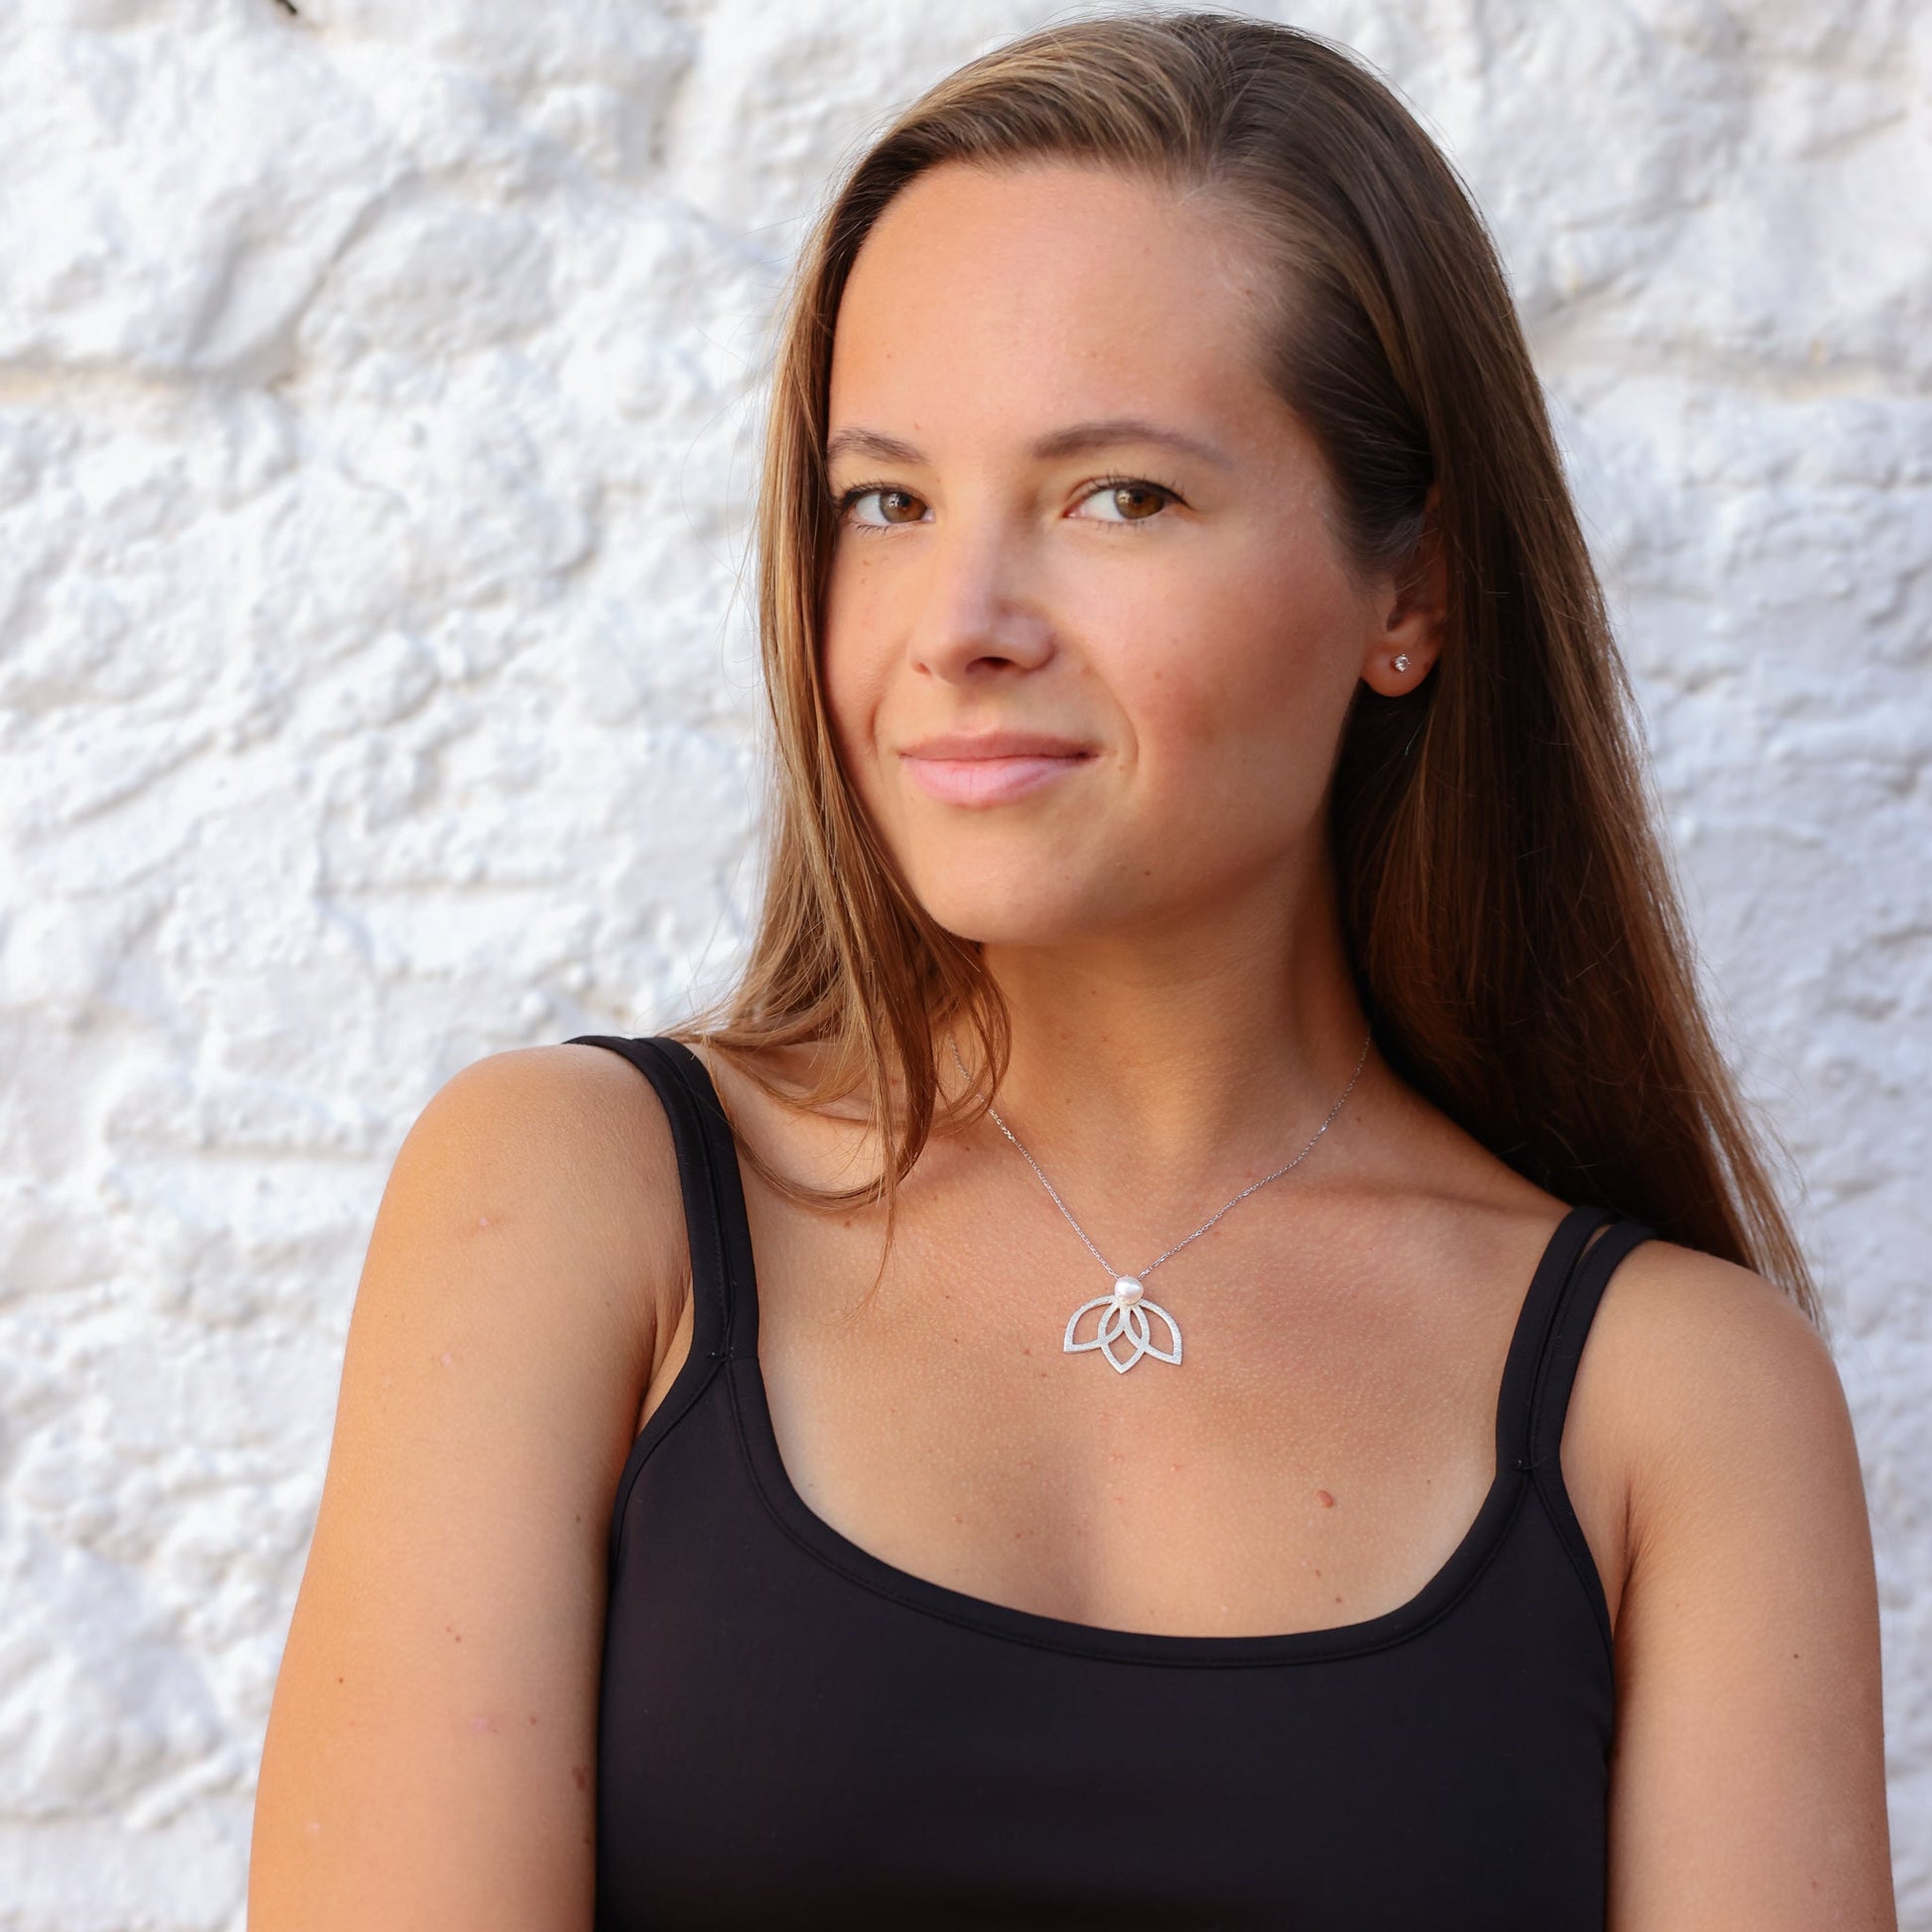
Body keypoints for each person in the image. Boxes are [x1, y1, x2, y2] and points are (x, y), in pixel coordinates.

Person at [248, 11, 1896, 1927]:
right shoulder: (571, 1197)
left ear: (1410, 592)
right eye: (887, 500)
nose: (958, 625)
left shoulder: (1676, 1401)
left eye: (1119, 495)